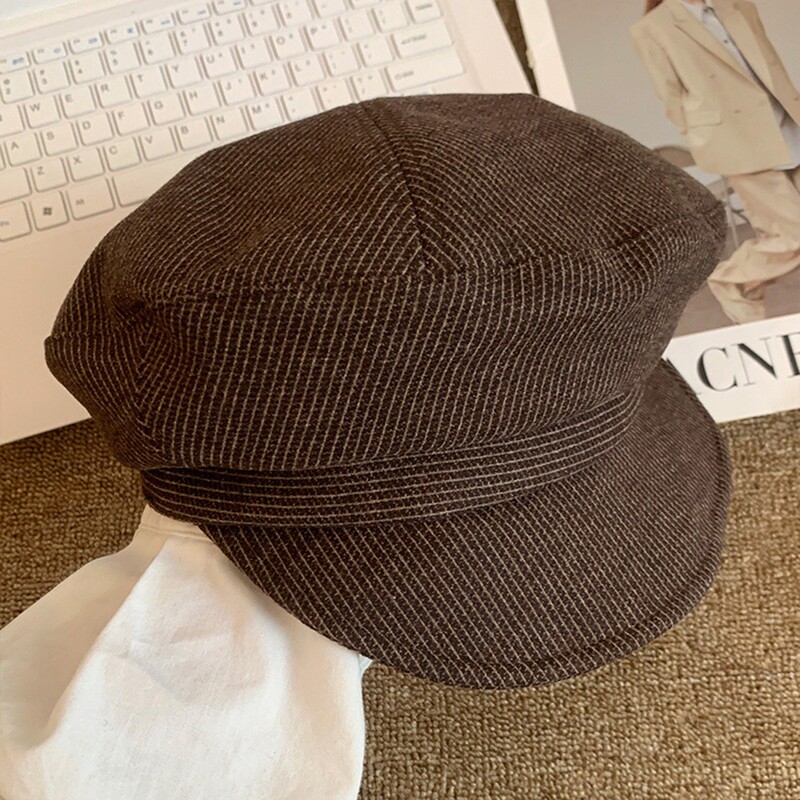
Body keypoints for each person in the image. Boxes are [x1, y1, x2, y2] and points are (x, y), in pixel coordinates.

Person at [630, 0, 800, 324]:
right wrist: (709, 137)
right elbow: (671, 97)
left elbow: (770, 65)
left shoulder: (737, 5)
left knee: (788, 235)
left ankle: (741, 288)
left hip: (787, 122)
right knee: (792, 236)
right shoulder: (651, 28)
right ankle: (730, 280)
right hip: (741, 140)